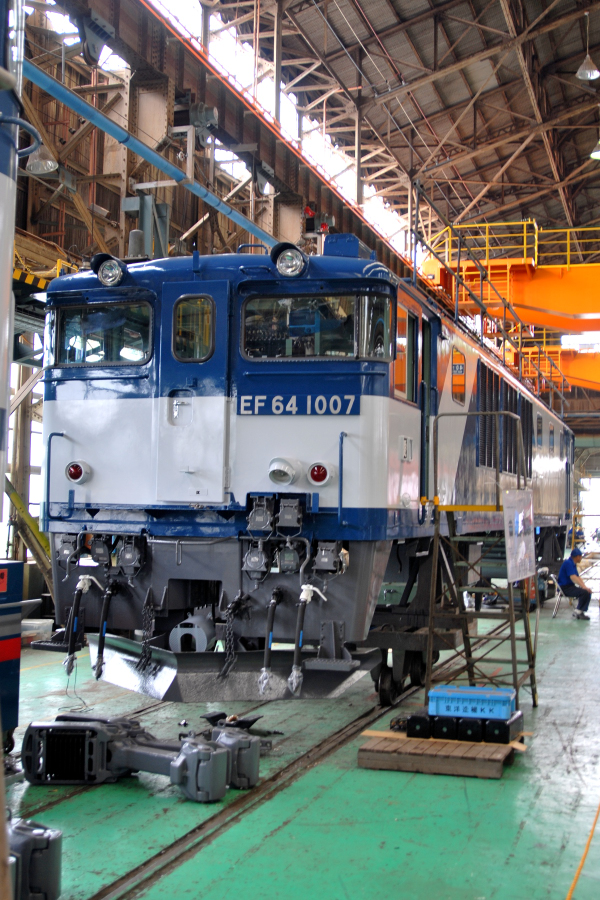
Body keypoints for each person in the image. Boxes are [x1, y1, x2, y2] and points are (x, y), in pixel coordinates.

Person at [557, 548, 593, 620]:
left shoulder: (572, 564)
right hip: (564, 588)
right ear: (577, 556)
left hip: (570, 587)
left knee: (587, 591)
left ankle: (580, 611)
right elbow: (573, 577)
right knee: (584, 592)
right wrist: (583, 587)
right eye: (581, 556)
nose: (581, 558)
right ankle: (577, 612)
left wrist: (585, 587)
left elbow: (578, 577)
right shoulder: (568, 563)